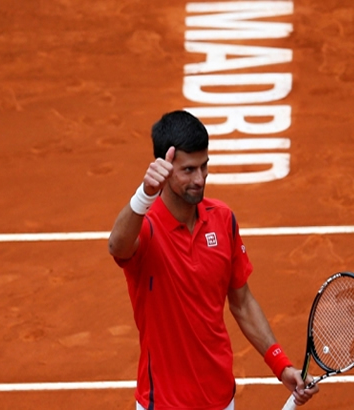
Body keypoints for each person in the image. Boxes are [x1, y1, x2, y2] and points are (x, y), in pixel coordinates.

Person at [108, 110, 318, 410]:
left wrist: (281, 366)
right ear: (164, 168)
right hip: (164, 403)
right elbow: (117, 246)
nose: (200, 179)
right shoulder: (146, 228)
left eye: (204, 166)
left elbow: (242, 302)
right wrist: (145, 194)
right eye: (188, 170)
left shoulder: (223, 219)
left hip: (220, 399)